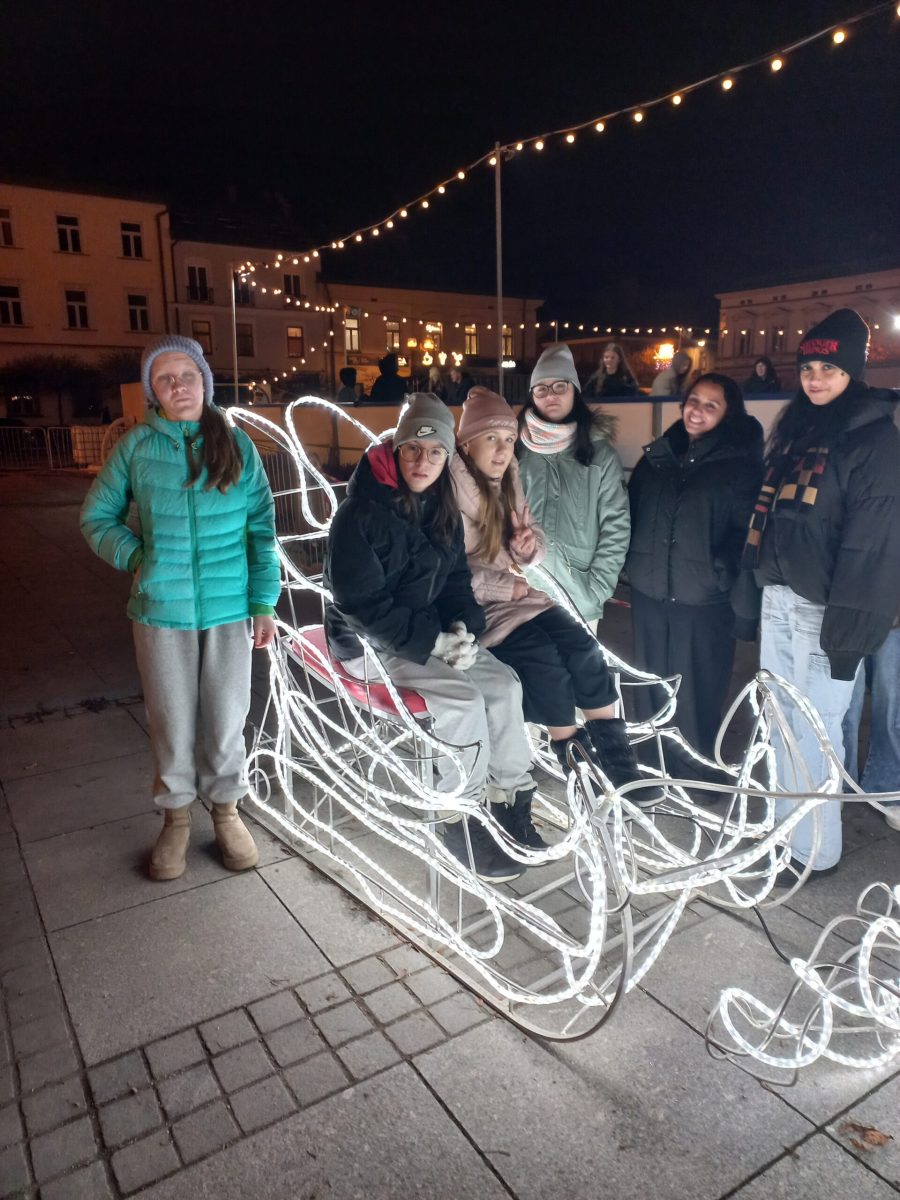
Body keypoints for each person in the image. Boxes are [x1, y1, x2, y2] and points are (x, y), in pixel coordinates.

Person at [80, 334, 280, 881]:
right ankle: (175, 820)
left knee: (227, 718)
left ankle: (227, 812)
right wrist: (137, 558)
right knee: (171, 720)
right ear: (153, 391)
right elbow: (95, 518)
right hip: (161, 611)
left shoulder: (236, 446)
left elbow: (261, 530)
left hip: (229, 610)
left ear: (204, 382)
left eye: (187, 375)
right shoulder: (137, 447)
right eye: (165, 379)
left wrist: (264, 601)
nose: (178, 386)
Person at [324, 392, 538, 882]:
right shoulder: (360, 514)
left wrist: (464, 627)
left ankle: (509, 800)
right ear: (397, 449)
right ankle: (458, 815)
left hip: (426, 630)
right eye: (414, 449)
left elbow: (456, 579)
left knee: (503, 686)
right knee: (463, 702)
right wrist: (433, 643)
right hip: (367, 642)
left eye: (437, 451)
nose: (424, 462)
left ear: (447, 457)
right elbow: (361, 607)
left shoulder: (441, 505)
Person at [450, 387, 659, 819]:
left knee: (583, 647)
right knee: (544, 661)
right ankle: (578, 767)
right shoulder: (447, 490)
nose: (502, 450)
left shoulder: (508, 477)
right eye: (491, 439)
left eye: (508, 440)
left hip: (519, 597)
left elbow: (531, 534)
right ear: (467, 443)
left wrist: (529, 547)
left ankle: (619, 763)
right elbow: (444, 571)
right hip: (474, 606)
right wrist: (505, 587)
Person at [741, 309, 900, 874]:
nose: (815, 379)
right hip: (782, 597)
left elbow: (873, 543)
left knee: (815, 729)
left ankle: (813, 852)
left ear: (852, 372)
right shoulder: (800, 431)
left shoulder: (874, 439)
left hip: (825, 608)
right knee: (781, 720)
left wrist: (851, 629)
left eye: (828, 368)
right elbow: (773, 520)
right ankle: (785, 834)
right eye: (808, 367)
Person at [626, 373, 763, 765]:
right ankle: (651, 764)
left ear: (728, 413)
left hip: (703, 600)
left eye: (711, 405)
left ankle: (697, 769)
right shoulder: (658, 458)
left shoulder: (739, 466)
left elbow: (749, 533)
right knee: (651, 684)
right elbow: (631, 514)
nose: (697, 411)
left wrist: (720, 572)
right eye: (693, 401)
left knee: (697, 690)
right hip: (650, 593)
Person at [516, 343, 630, 627]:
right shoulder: (515, 452)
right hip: (521, 597)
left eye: (560, 386)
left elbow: (616, 526)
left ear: (574, 391)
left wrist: (596, 590)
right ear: (531, 395)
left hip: (578, 600)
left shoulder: (600, 455)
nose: (550, 395)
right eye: (541, 388)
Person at [842, 618, 900, 824]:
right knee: (844, 698)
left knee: (892, 696)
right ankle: (839, 779)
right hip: (846, 607)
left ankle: (888, 784)